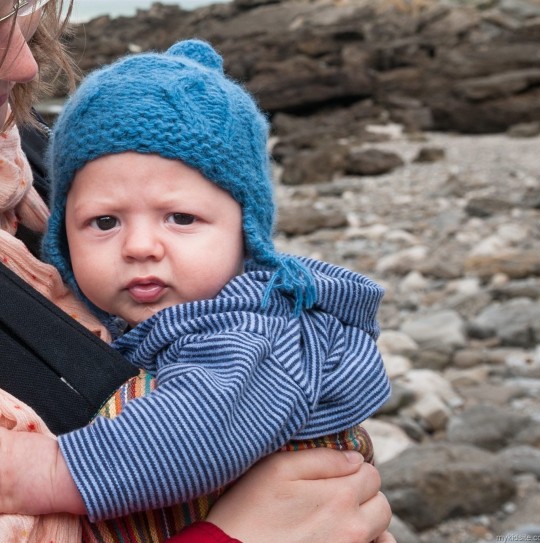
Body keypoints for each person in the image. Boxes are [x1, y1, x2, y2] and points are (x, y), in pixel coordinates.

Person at [0, 1, 396, 542]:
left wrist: (43, 471)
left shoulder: (253, 331)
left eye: (181, 218)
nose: (140, 246)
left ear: (247, 233)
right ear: (61, 236)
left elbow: (194, 431)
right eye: (104, 221)